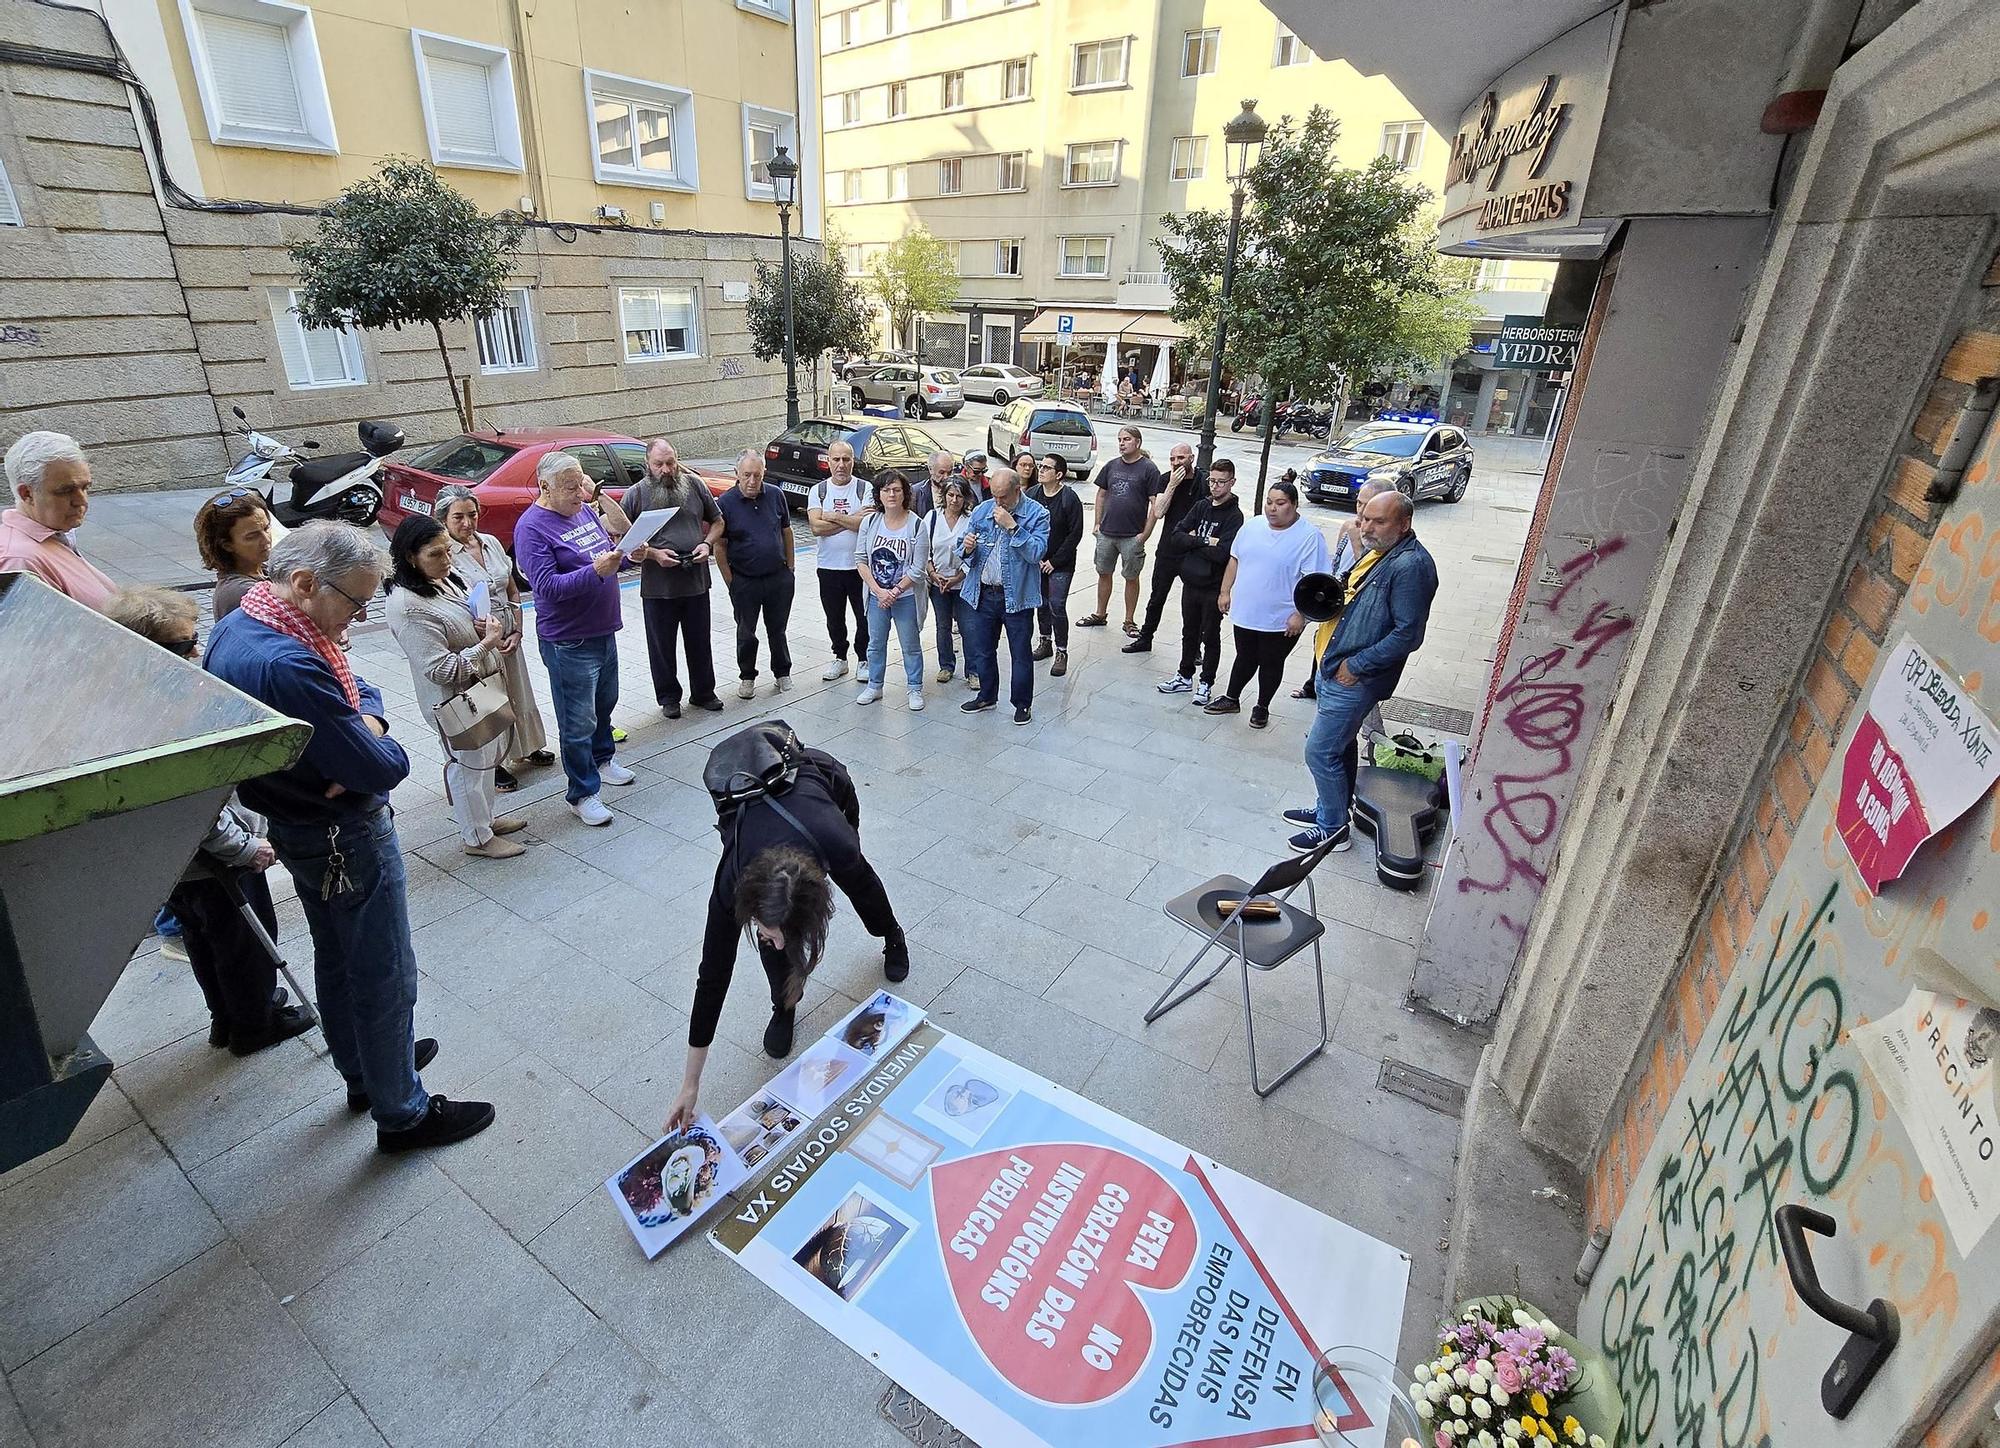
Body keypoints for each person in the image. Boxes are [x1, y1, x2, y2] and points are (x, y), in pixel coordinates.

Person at [204, 522, 495, 1151]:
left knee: (338, 956)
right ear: (306, 584)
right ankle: (403, 1111)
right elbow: (385, 766)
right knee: (384, 970)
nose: (357, 619)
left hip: (299, 825)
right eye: (354, 603)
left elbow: (362, 689)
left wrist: (367, 719)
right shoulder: (287, 662)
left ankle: (367, 1068)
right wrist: (370, 739)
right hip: (343, 833)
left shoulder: (244, 624)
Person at [103, 587, 313, 1055]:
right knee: (243, 945)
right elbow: (192, 800)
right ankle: (255, 1024)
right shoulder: (164, 713)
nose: (196, 652)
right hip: (215, 858)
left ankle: (226, 1016)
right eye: (183, 646)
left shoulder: (126, 697)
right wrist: (244, 848)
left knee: (203, 939)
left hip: (177, 861)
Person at [664, 729, 909, 1129]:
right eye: (762, 926)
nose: (765, 936)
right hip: (758, 821)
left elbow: (849, 855)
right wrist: (689, 1085)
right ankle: (785, 1004)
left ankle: (892, 936)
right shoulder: (733, 881)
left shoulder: (835, 839)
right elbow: (712, 977)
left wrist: (792, 934)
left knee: (859, 881)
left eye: (774, 930)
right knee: (773, 941)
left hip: (823, 801)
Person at [1284, 490, 1438, 852]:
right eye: (1364, 517)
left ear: (1404, 524)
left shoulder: (1409, 566)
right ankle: (1330, 808)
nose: (1366, 526)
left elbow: (1407, 634)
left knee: (1319, 752)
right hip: (1335, 668)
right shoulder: (1381, 552)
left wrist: (1356, 665)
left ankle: (1333, 829)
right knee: (1339, 748)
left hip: (1353, 677)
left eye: (1378, 521)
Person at [383, 515, 527, 861]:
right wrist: (487, 643)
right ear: (409, 557)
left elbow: (462, 620)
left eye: (449, 551)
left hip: (480, 687)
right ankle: (476, 838)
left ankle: (486, 821)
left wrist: (480, 626)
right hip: (455, 700)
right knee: (468, 766)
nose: (447, 561)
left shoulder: (442, 579)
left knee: (487, 758)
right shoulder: (407, 605)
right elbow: (441, 669)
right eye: (436, 554)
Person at [512, 451, 636, 828]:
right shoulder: (532, 527)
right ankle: (582, 792)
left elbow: (606, 556)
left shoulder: (581, 511)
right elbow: (546, 588)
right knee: (576, 720)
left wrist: (632, 557)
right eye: (571, 487)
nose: (581, 494)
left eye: (581, 483)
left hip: (603, 629)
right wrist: (596, 571)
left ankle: (603, 759)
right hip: (569, 641)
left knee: (604, 704)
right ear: (545, 486)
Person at [435, 485, 553, 790]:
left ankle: (527, 746)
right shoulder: (444, 554)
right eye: (458, 517)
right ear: (444, 520)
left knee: (519, 689)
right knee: (491, 696)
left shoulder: (489, 543)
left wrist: (518, 629)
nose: (467, 523)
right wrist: (486, 638)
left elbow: (512, 588)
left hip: (508, 630)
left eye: (472, 515)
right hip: (479, 638)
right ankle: (496, 761)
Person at [1205, 478, 1331, 730]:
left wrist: (1301, 614)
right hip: (1247, 610)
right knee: (1245, 655)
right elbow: (1235, 559)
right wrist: (1225, 591)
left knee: (1271, 661)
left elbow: (1315, 581)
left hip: (1281, 618)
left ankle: (1262, 706)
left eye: (1280, 503)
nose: (1272, 508)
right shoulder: (1252, 527)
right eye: (1269, 502)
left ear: (1294, 505)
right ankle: (1232, 697)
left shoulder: (1309, 536)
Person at [623, 439, 724, 719]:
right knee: (661, 645)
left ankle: (704, 692)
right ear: (648, 465)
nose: (666, 470)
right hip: (658, 585)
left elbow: (718, 521)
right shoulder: (636, 494)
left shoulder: (694, 485)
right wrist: (654, 555)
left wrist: (707, 544)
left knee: (700, 640)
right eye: (659, 465)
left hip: (695, 579)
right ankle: (668, 697)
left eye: (671, 463)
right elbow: (624, 541)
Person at [958, 465, 1049, 724]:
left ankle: (1022, 704)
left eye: (1003, 497)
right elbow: (963, 550)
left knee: (1020, 653)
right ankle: (987, 696)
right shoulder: (982, 510)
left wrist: (1013, 528)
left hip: (1016, 597)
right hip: (984, 593)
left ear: (1017, 490)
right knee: (983, 650)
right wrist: (966, 548)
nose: (997, 502)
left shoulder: (1036, 514)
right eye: (994, 496)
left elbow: (1036, 553)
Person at [1292, 478, 1391, 703]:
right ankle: (1313, 684)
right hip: (1336, 597)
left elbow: (1369, 572)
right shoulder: (1348, 527)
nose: (1361, 511)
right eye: (1359, 503)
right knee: (1322, 639)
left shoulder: (1381, 540)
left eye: (1368, 505)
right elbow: (1337, 562)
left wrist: (1358, 542)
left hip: (1357, 608)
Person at [1155, 459, 1245, 706]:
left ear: (1232, 482)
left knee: (1210, 635)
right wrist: (1207, 541)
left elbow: (1224, 553)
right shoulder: (1201, 506)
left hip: (1213, 586)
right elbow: (1176, 536)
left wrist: (1195, 540)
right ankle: (1184, 675)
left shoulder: (1235, 516)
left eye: (1220, 482)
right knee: (1189, 632)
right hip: (1191, 581)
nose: (1215, 486)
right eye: (1212, 481)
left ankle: (1206, 682)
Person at [714, 449, 795, 699]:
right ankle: (747, 676)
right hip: (744, 580)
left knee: (777, 629)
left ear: (764, 474)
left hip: (777, 577)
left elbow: (787, 532)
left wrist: (789, 569)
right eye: (747, 475)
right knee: (746, 631)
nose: (752, 481)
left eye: (757, 475)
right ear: (736, 474)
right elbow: (720, 546)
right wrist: (731, 582)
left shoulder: (775, 495)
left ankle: (782, 672)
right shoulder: (726, 503)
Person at [1, 431, 115, 609]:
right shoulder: (20, 560)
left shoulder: (56, 534)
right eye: (65, 491)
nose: (82, 501)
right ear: (27, 494)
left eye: (85, 487)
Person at [1076, 426, 1164, 637]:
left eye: (1127, 439)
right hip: (1106, 533)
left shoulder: (1149, 469)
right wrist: (1096, 524)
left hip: (1132, 536)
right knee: (1103, 573)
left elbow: (1156, 504)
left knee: (1131, 577)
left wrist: (1145, 535)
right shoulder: (1111, 466)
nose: (1122, 443)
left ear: (1138, 443)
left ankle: (1129, 620)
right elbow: (1101, 494)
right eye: (1120, 439)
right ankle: (1100, 614)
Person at [855, 470, 926, 711]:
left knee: (910, 645)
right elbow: (861, 560)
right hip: (876, 597)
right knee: (875, 643)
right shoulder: (870, 522)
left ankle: (915, 687)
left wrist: (894, 591)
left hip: (904, 597)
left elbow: (917, 569)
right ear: (879, 495)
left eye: (897, 489)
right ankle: (874, 685)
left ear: (905, 493)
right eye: (886, 490)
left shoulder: (917, 525)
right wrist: (878, 590)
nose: (892, 494)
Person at [1124, 442, 1203, 655]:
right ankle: (1145, 638)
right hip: (1168, 549)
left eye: (1181, 458)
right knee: (1157, 596)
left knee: (1193, 603)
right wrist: (1171, 487)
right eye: (1173, 459)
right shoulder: (1165, 479)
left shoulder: (1202, 481)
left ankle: (1194, 648)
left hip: (1193, 551)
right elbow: (1158, 512)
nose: (1177, 463)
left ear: (1191, 458)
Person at [808, 441, 873, 681]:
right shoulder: (819, 491)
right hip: (828, 567)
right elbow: (815, 527)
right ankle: (840, 658)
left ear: (853, 461)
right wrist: (850, 519)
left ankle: (864, 658)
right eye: (836, 459)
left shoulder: (864, 489)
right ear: (828, 461)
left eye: (846, 459)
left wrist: (833, 516)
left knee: (863, 616)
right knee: (834, 616)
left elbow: (864, 523)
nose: (841, 465)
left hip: (859, 567)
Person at [1029, 454, 1083, 677]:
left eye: (1047, 468)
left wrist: (1054, 561)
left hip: (1060, 564)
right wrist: (1035, 556)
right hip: (1037, 561)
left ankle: (1062, 650)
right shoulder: (1032, 495)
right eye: (1040, 466)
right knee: (1040, 603)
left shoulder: (1069, 499)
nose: (1040, 470)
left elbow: (1075, 535)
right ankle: (1045, 641)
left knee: (1057, 605)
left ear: (1059, 475)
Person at [923, 476, 975, 685]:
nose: (954, 500)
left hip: (963, 581)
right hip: (939, 582)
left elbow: (974, 554)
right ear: (944, 496)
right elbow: (923, 550)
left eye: (959, 496)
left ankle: (973, 670)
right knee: (942, 625)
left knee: (968, 627)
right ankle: (946, 665)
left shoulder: (971, 520)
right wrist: (933, 574)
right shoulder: (932, 518)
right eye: (950, 495)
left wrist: (957, 577)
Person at [194, 487, 275, 620]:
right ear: (227, 545)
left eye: (266, 528)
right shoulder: (242, 592)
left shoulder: (262, 570)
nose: (266, 539)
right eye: (252, 536)